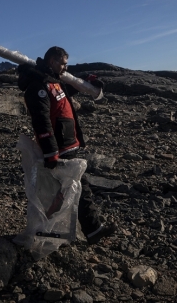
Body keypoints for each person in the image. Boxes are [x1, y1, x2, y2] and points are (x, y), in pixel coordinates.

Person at [17, 46, 116, 245]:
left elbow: (62, 95)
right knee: (77, 189)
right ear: (52, 61)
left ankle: (49, 231)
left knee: (68, 191)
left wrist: (86, 81)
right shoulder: (39, 86)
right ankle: (84, 230)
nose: (65, 66)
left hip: (68, 145)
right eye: (62, 63)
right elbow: (41, 120)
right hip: (60, 149)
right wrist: (51, 152)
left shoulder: (54, 81)